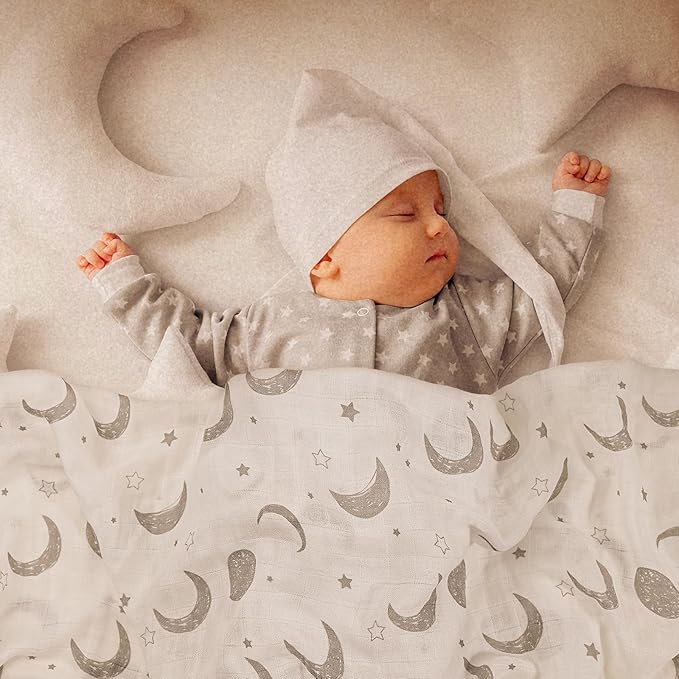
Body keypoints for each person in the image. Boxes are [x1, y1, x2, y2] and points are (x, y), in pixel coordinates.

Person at [76, 70, 611, 394]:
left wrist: (574, 207)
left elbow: (544, 290)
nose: (439, 227)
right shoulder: (269, 325)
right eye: (405, 215)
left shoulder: (467, 317)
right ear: (325, 254)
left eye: (442, 212)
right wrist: (128, 286)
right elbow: (186, 347)